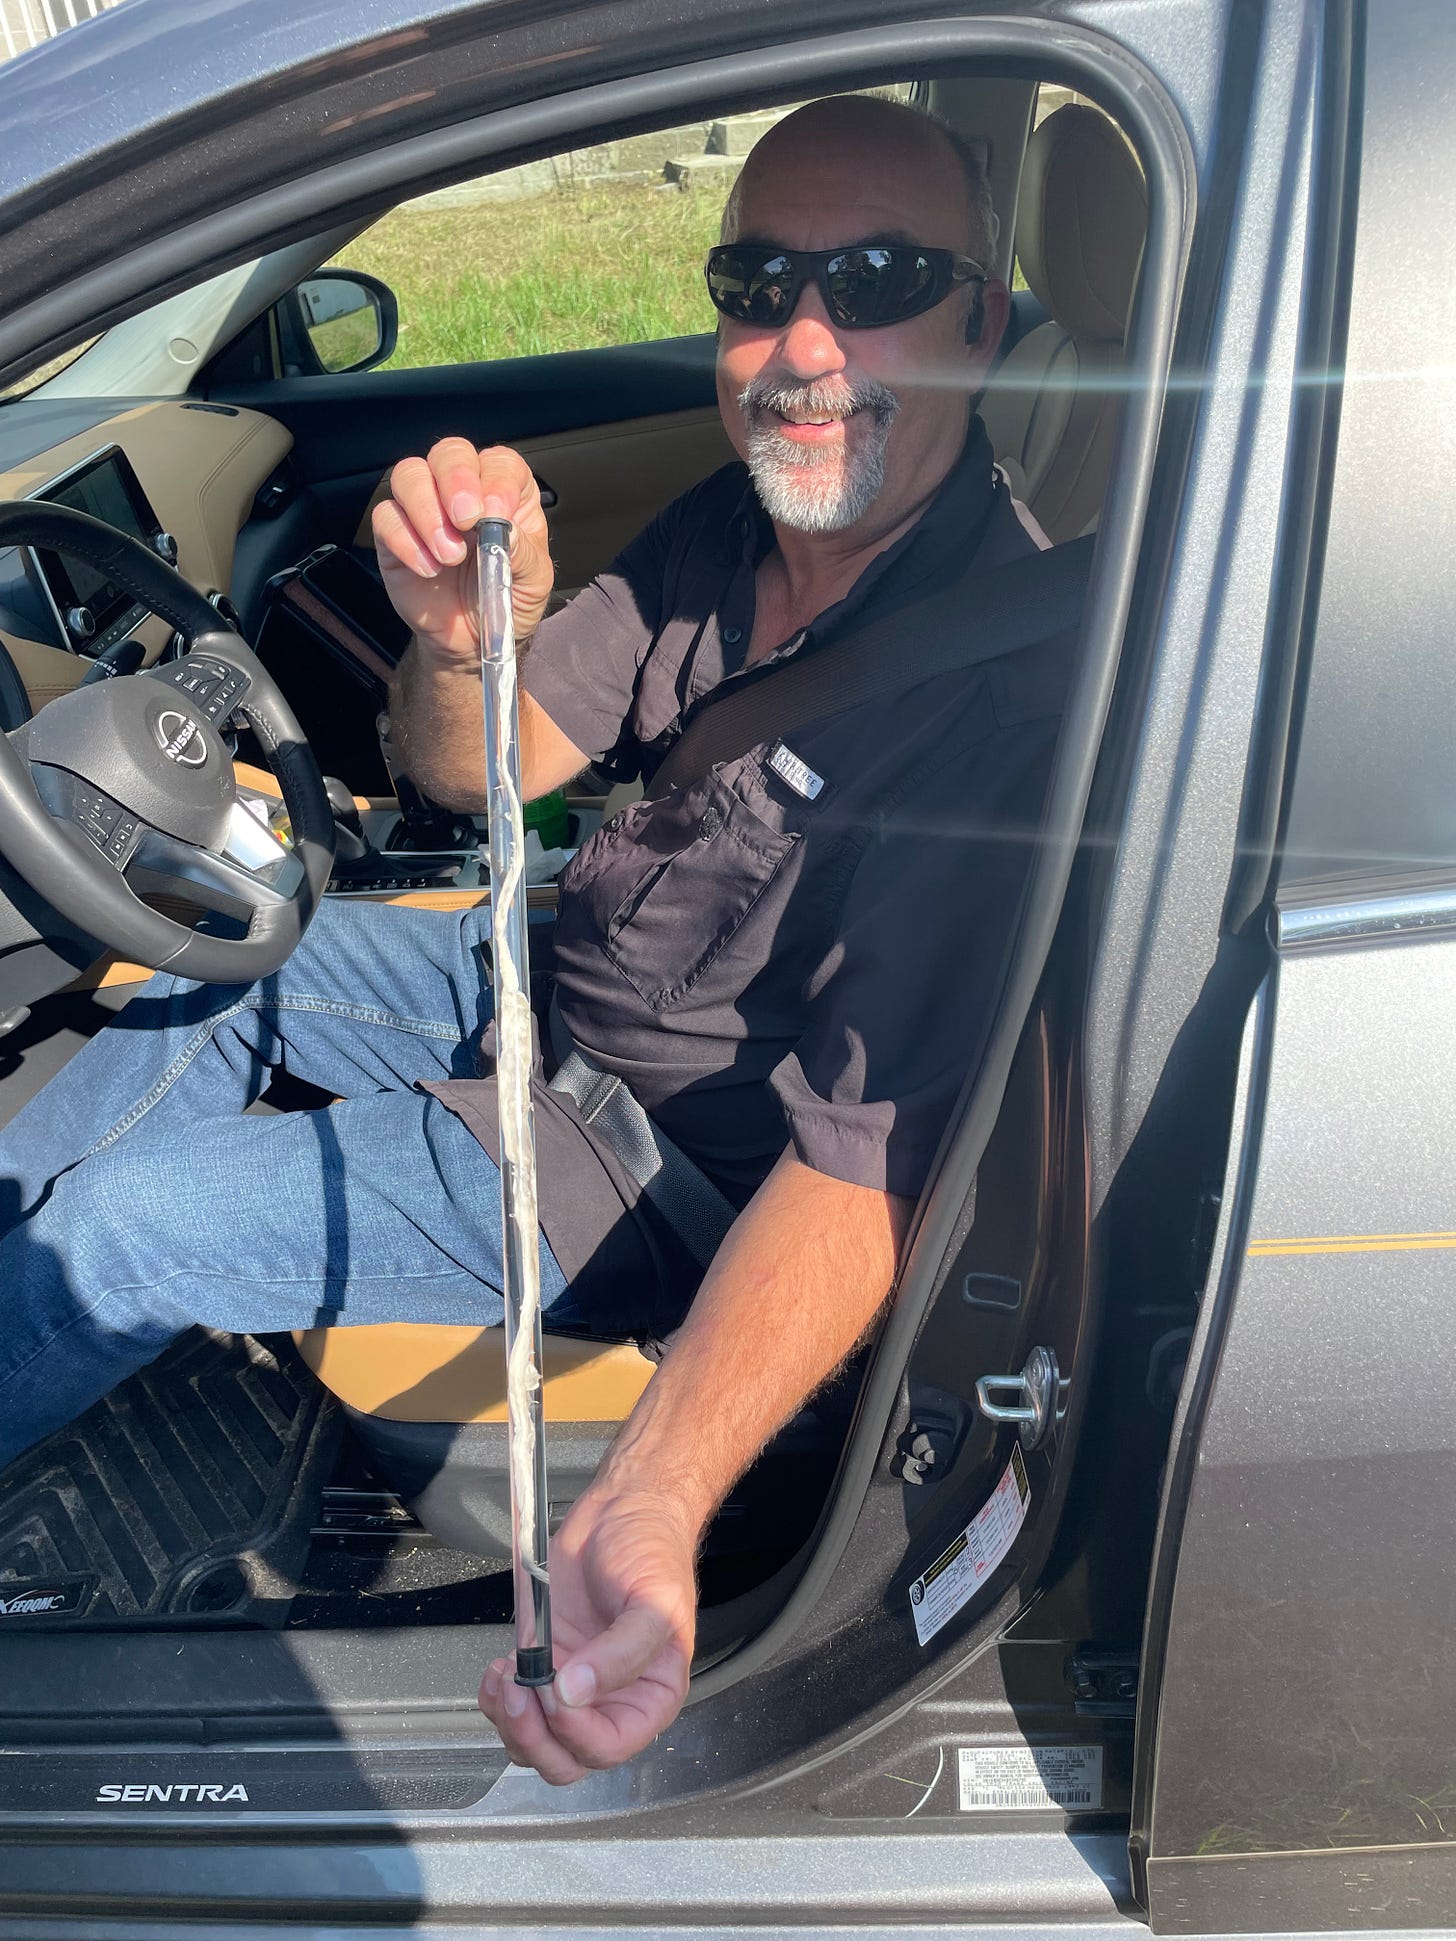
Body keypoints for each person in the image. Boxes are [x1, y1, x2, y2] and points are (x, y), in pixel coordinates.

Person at [0, 94, 1063, 1782]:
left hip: (635, 1160)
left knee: (121, 1233)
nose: (804, 344)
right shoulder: (735, 524)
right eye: (758, 282)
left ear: (984, 320)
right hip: (552, 963)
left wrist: (652, 1493)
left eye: (878, 282)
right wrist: (454, 645)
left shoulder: (995, 700)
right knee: (220, 963)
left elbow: (864, 1170)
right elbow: (468, 767)